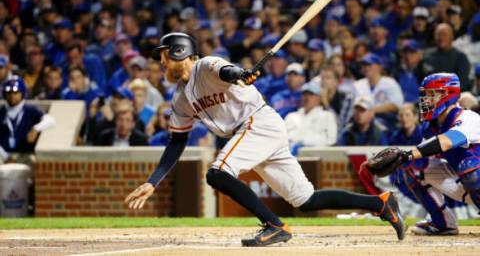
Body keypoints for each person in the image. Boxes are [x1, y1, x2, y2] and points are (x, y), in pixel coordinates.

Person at [124, 32, 406, 247]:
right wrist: (153, 182)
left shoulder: (205, 65)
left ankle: (274, 225)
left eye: (163, 55)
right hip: (252, 131)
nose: (160, 62)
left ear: (180, 52)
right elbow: (176, 142)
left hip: (257, 123)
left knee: (217, 173)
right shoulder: (180, 98)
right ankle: (380, 203)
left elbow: (224, 70)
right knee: (305, 200)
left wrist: (240, 74)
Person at [373, 73, 480, 235]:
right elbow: (422, 156)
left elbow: (447, 141)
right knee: (413, 165)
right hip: (466, 184)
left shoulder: (467, 117)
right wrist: (403, 160)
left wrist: (407, 154)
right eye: (426, 94)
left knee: (470, 165)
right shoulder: (430, 127)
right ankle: (443, 224)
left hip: (474, 175)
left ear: (448, 95)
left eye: (432, 94)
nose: (426, 100)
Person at [0, 76, 56, 162]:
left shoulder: (29, 110)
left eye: (15, 93)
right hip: (3, 154)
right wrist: (5, 156)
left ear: (22, 93)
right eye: (9, 93)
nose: (12, 96)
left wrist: (36, 129)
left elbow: (50, 120)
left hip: (25, 154)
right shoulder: (1, 111)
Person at [284, 82, 337, 155]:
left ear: (319, 98)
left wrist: (309, 147)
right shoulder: (291, 116)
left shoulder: (327, 116)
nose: (307, 97)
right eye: (304, 94)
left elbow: (332, 141)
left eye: (311, 94)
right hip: (292, 157)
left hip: (317, 156)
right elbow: (282, 140)